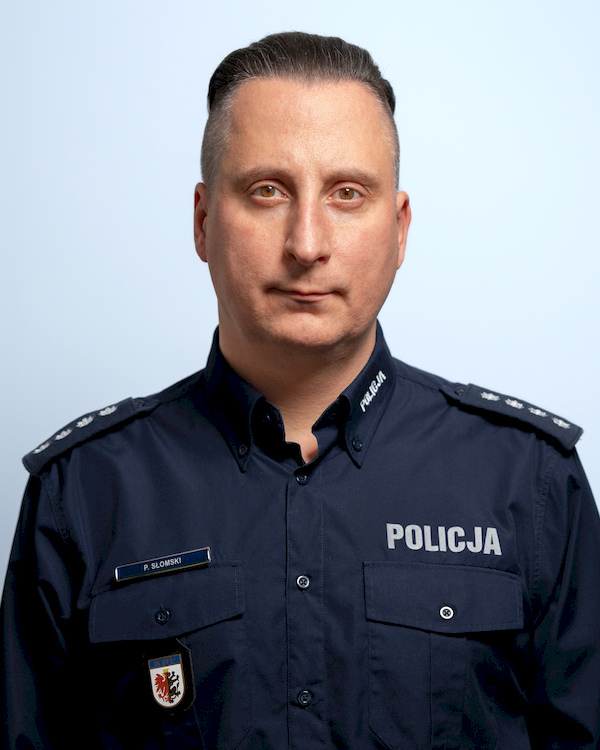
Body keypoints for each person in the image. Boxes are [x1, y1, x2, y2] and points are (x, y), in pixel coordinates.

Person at [2, 31, 599, 750]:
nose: (307, 243)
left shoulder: (531, 483)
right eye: (267, 191)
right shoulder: (82, 493)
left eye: (347, 194)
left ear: (399, 230)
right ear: (203, 222)